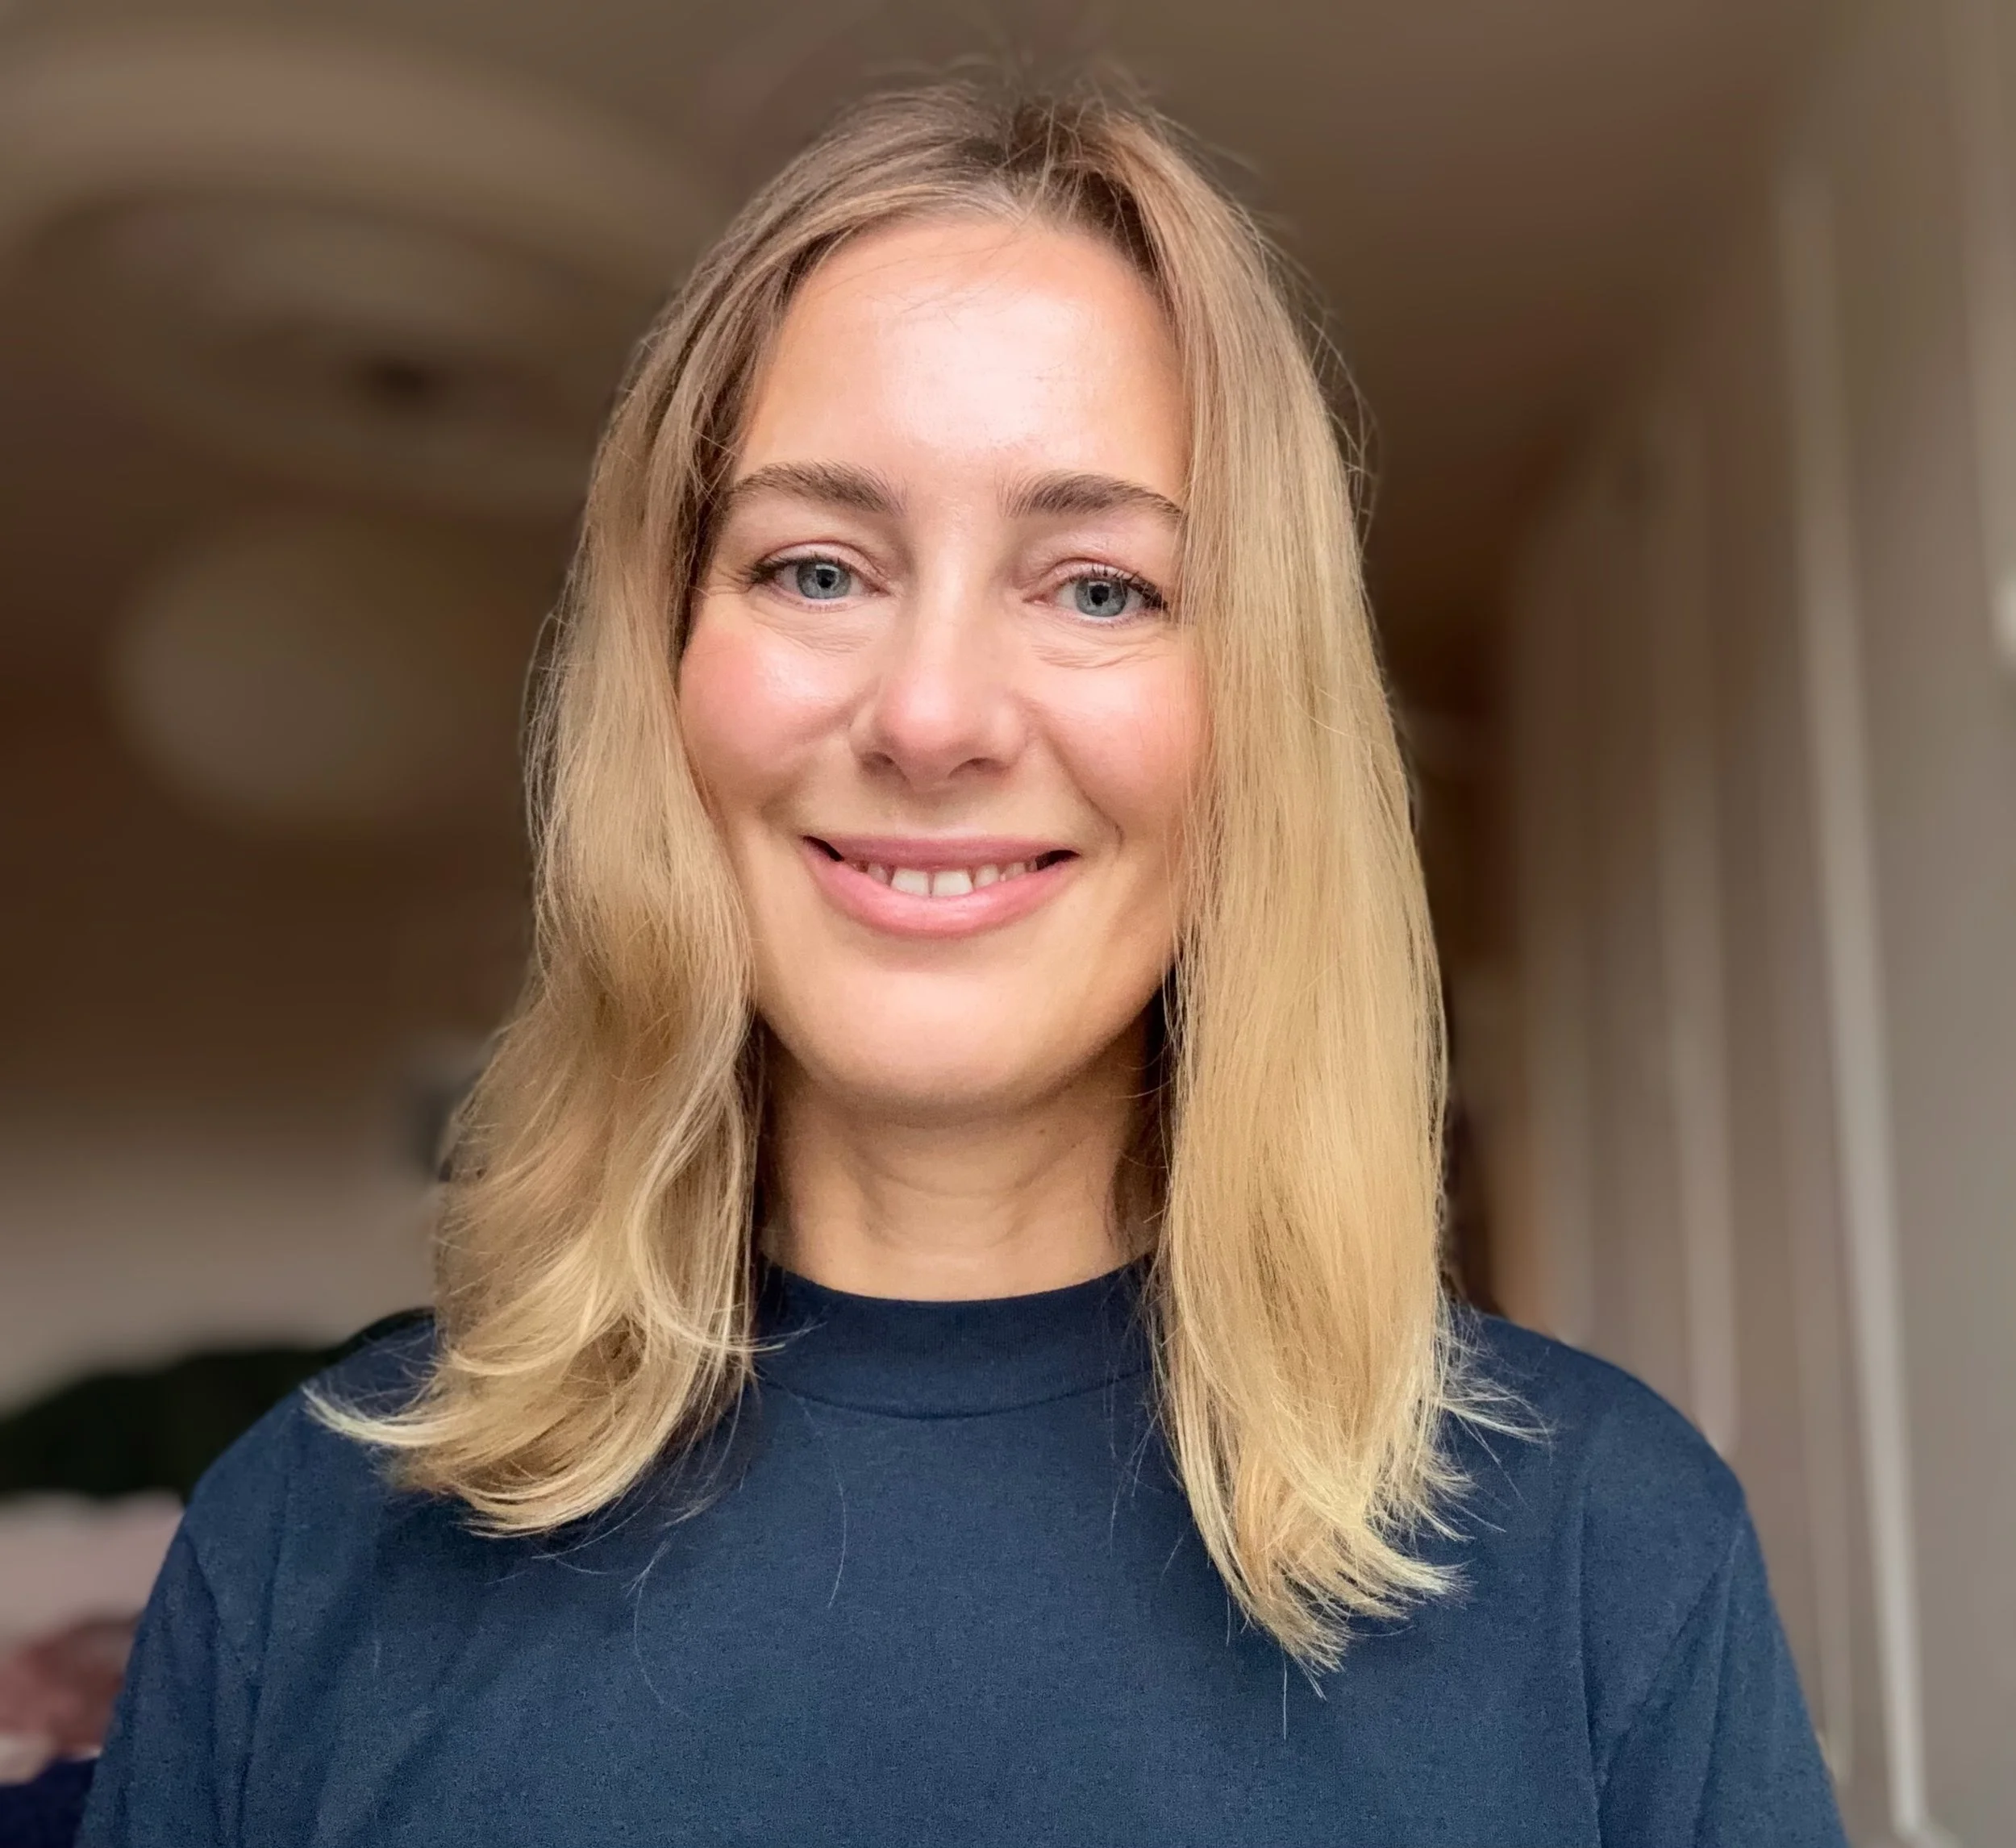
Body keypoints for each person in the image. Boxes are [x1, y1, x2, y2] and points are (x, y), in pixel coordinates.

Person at [81, 84, 1846, 1846]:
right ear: (668, 680)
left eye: (1096, 586)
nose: (930, 715)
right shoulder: (314, 1531)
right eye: (817, 566)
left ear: (1255, 718)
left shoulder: (1605, 1552)